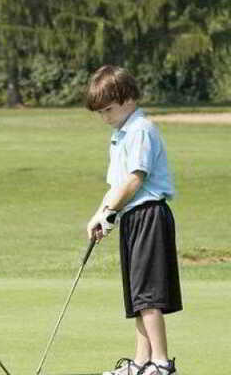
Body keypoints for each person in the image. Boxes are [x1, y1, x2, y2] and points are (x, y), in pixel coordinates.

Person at [85, 65, 182, 375]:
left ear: (127, 99)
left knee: (149, 295)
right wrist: (99, 215)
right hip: (133, 217)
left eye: (109, 110)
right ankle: (140, 363)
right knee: (139, 295)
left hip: (149, 215)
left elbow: (134, 181)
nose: (105, 117)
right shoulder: (121, 134)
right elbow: (116, 186)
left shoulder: (141, 130)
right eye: (100, 113)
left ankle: (162, 363)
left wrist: (109, 212)